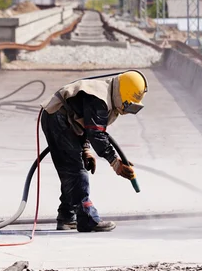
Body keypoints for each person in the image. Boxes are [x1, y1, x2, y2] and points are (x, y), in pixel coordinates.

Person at [40, 70, 148, 232]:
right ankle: (87, 219)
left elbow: (85, 123)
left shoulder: (106, 98)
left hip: (66, 122)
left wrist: (85, 150)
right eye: (129, 106)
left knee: (74, 169)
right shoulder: (100, 99)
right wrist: (115, 163)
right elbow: (96, 134)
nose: (126, 111)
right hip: (58, 119)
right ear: (122, 95)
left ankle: (67, 217)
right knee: (76, 171)